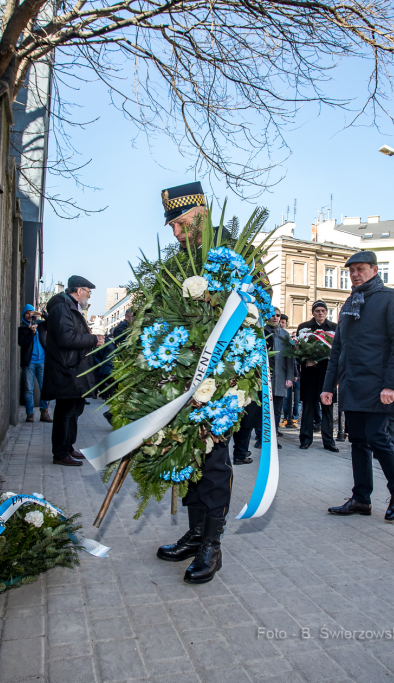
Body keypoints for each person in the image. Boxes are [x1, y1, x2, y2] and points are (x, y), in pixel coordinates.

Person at [155, 181, 256, 584]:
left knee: (213, 460)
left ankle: (212, 545)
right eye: (173, 228)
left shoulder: (237, 252)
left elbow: (254, 312)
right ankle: (196, 534)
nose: (177, 234)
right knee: (187, 454)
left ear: (201, 214)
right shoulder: (177, 260)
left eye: (181, 225)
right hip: (181, 379)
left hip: (222, 380)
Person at [321, 251, 394, 521]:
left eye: (360, 269)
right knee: (358, 442)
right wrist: (329, 386)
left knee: (377, 438)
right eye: (351, 271)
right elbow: (338, 349)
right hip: (352, 386)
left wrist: (391, 385)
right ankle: (361, 499)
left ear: (374, 269)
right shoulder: (350, 303)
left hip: (379, 387)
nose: (354, 274)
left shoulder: (392, 299)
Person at [42, 275, 105, 466]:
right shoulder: (62, 307)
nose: (89, 296)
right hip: (66, 369)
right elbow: (66, 339)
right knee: (65, 411)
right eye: (88, 292)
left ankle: (68, 446)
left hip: (73, 369)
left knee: (74, 409)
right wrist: (93, 340)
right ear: (79, 291)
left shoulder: (70, 307)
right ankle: (60, 454)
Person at [233, 307, 293, 462]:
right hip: (257, 381)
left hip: (275, 379)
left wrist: (290, 377)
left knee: (274, 412)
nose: (275, 318)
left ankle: (268, 440)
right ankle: (253, 444)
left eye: (278, 315)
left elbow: (289, 359)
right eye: (272, 315)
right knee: (253, 414)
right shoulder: (261, 332)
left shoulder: (284, 335)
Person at [296, 301, 338, 451]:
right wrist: (305, 359)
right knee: (308, 407)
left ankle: (328, 441)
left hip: (328, 373)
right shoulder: (304, 328)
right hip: (310, 373)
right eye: (317, 311)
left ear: (326, 312)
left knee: (327, 407)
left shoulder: (334, 328)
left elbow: (339, 349)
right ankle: (305, 439)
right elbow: (297, 350)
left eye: (323, 311)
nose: (320, 313)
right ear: (313, 312)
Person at [18, 305, 53, 424]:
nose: (29, 315)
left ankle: (44, 412)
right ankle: (30, 414)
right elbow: (22, 343)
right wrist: (31, 332)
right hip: (29, 362)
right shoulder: (22, 328)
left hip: (42, 361)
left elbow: (52, 323)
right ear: (23, 315)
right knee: (28, 389)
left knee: (45, 388)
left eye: (31, 313)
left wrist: (43, 314)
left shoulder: (42, 325)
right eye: (26, 313)